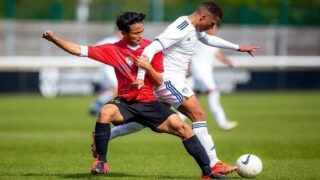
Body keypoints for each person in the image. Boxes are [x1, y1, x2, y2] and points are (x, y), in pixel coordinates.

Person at [42, 12, 225, 179]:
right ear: (123, 33)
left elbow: (159, 79)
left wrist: (148, 67)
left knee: (184, 129)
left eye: (142, 31)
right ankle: (101, 161)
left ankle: (207, 173)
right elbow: (78, 50)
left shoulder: (153, 49)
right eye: (136, 33)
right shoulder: (113, 50)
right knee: (105, 112)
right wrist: (54, 39)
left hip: (150, 104)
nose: (141, 36)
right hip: (126, 104)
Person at [111, 1, 259, 175]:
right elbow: (151, 48)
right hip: (168, 80)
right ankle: (213, 163)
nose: (212, 27)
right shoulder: (181, 27)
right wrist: (141, 77)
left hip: (173, 81)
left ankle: (106, 136)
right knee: (198, 114)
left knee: (147, 120)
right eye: (211, 23)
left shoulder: (196, 29)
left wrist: (237, 47)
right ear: (203, 16)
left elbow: (209, 39)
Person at [190, 24, 238, 130]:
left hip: (203, 73)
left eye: (216, 27)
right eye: (212, 27)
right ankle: (222, 123)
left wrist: (227, 62)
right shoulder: (200, 38)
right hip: (200, 73)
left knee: (191, 100)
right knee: (214, 93)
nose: (214, 29)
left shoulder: (210, 40)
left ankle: (178, 120)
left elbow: (217, 54)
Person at [89, 30, 121, 116]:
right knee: (116, 88)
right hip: (108, 69)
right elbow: (94, 49)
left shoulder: (124, 42)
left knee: (112, 90)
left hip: (116, 69)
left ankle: (96, 106)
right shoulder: (109, 41)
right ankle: (96, 106)